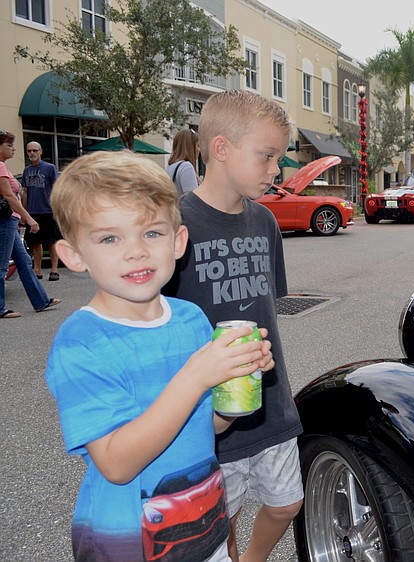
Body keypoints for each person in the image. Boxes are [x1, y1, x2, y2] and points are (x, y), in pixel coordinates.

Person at [45, 150, 275, 561]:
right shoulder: (80, 342)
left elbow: (210, 428)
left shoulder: (190, 319)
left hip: (205, 528)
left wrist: (235, 384)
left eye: (151, 233)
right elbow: (116, 463)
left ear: (178, 241)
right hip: (128, 542)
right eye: (109, 238)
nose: (135, 251)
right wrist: (195, 377)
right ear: (74, 255)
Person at [163, 90, 303, 562]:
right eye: (266, 156)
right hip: (208, 408)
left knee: (288, 502)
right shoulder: (175, 225)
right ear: (220, 148)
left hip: (270, 395)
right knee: (223, 515)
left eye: (279, 158)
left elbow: (266, 304)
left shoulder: (264, 221)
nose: (275, 170)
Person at [0, 130, 60, 319]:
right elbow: (9, 195)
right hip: (5, 220)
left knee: (25, 262)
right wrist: (29, 216)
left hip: (12, 220)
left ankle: (40, 300)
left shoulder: (4, 166)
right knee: (2, 265)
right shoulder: (1, 167)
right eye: (9, 145)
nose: (13, 149)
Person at [21, 141, 61, 281]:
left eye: (35, 150)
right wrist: (24, 212)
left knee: (51, 241)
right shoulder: (26, 170)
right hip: (33, 213)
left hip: (48, 211)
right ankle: (37, 270)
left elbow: (56, 189)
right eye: (29, 151)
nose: (32, 153)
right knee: (35, 242)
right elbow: (25, 192)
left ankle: (54, 270)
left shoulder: (49, 168)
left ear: (41, 152)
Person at [165, 128, 201, 195]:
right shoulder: (186, 167)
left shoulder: (169, 167)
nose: (199, 150)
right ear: (190, 147)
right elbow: (193, 199)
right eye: (197, 145)